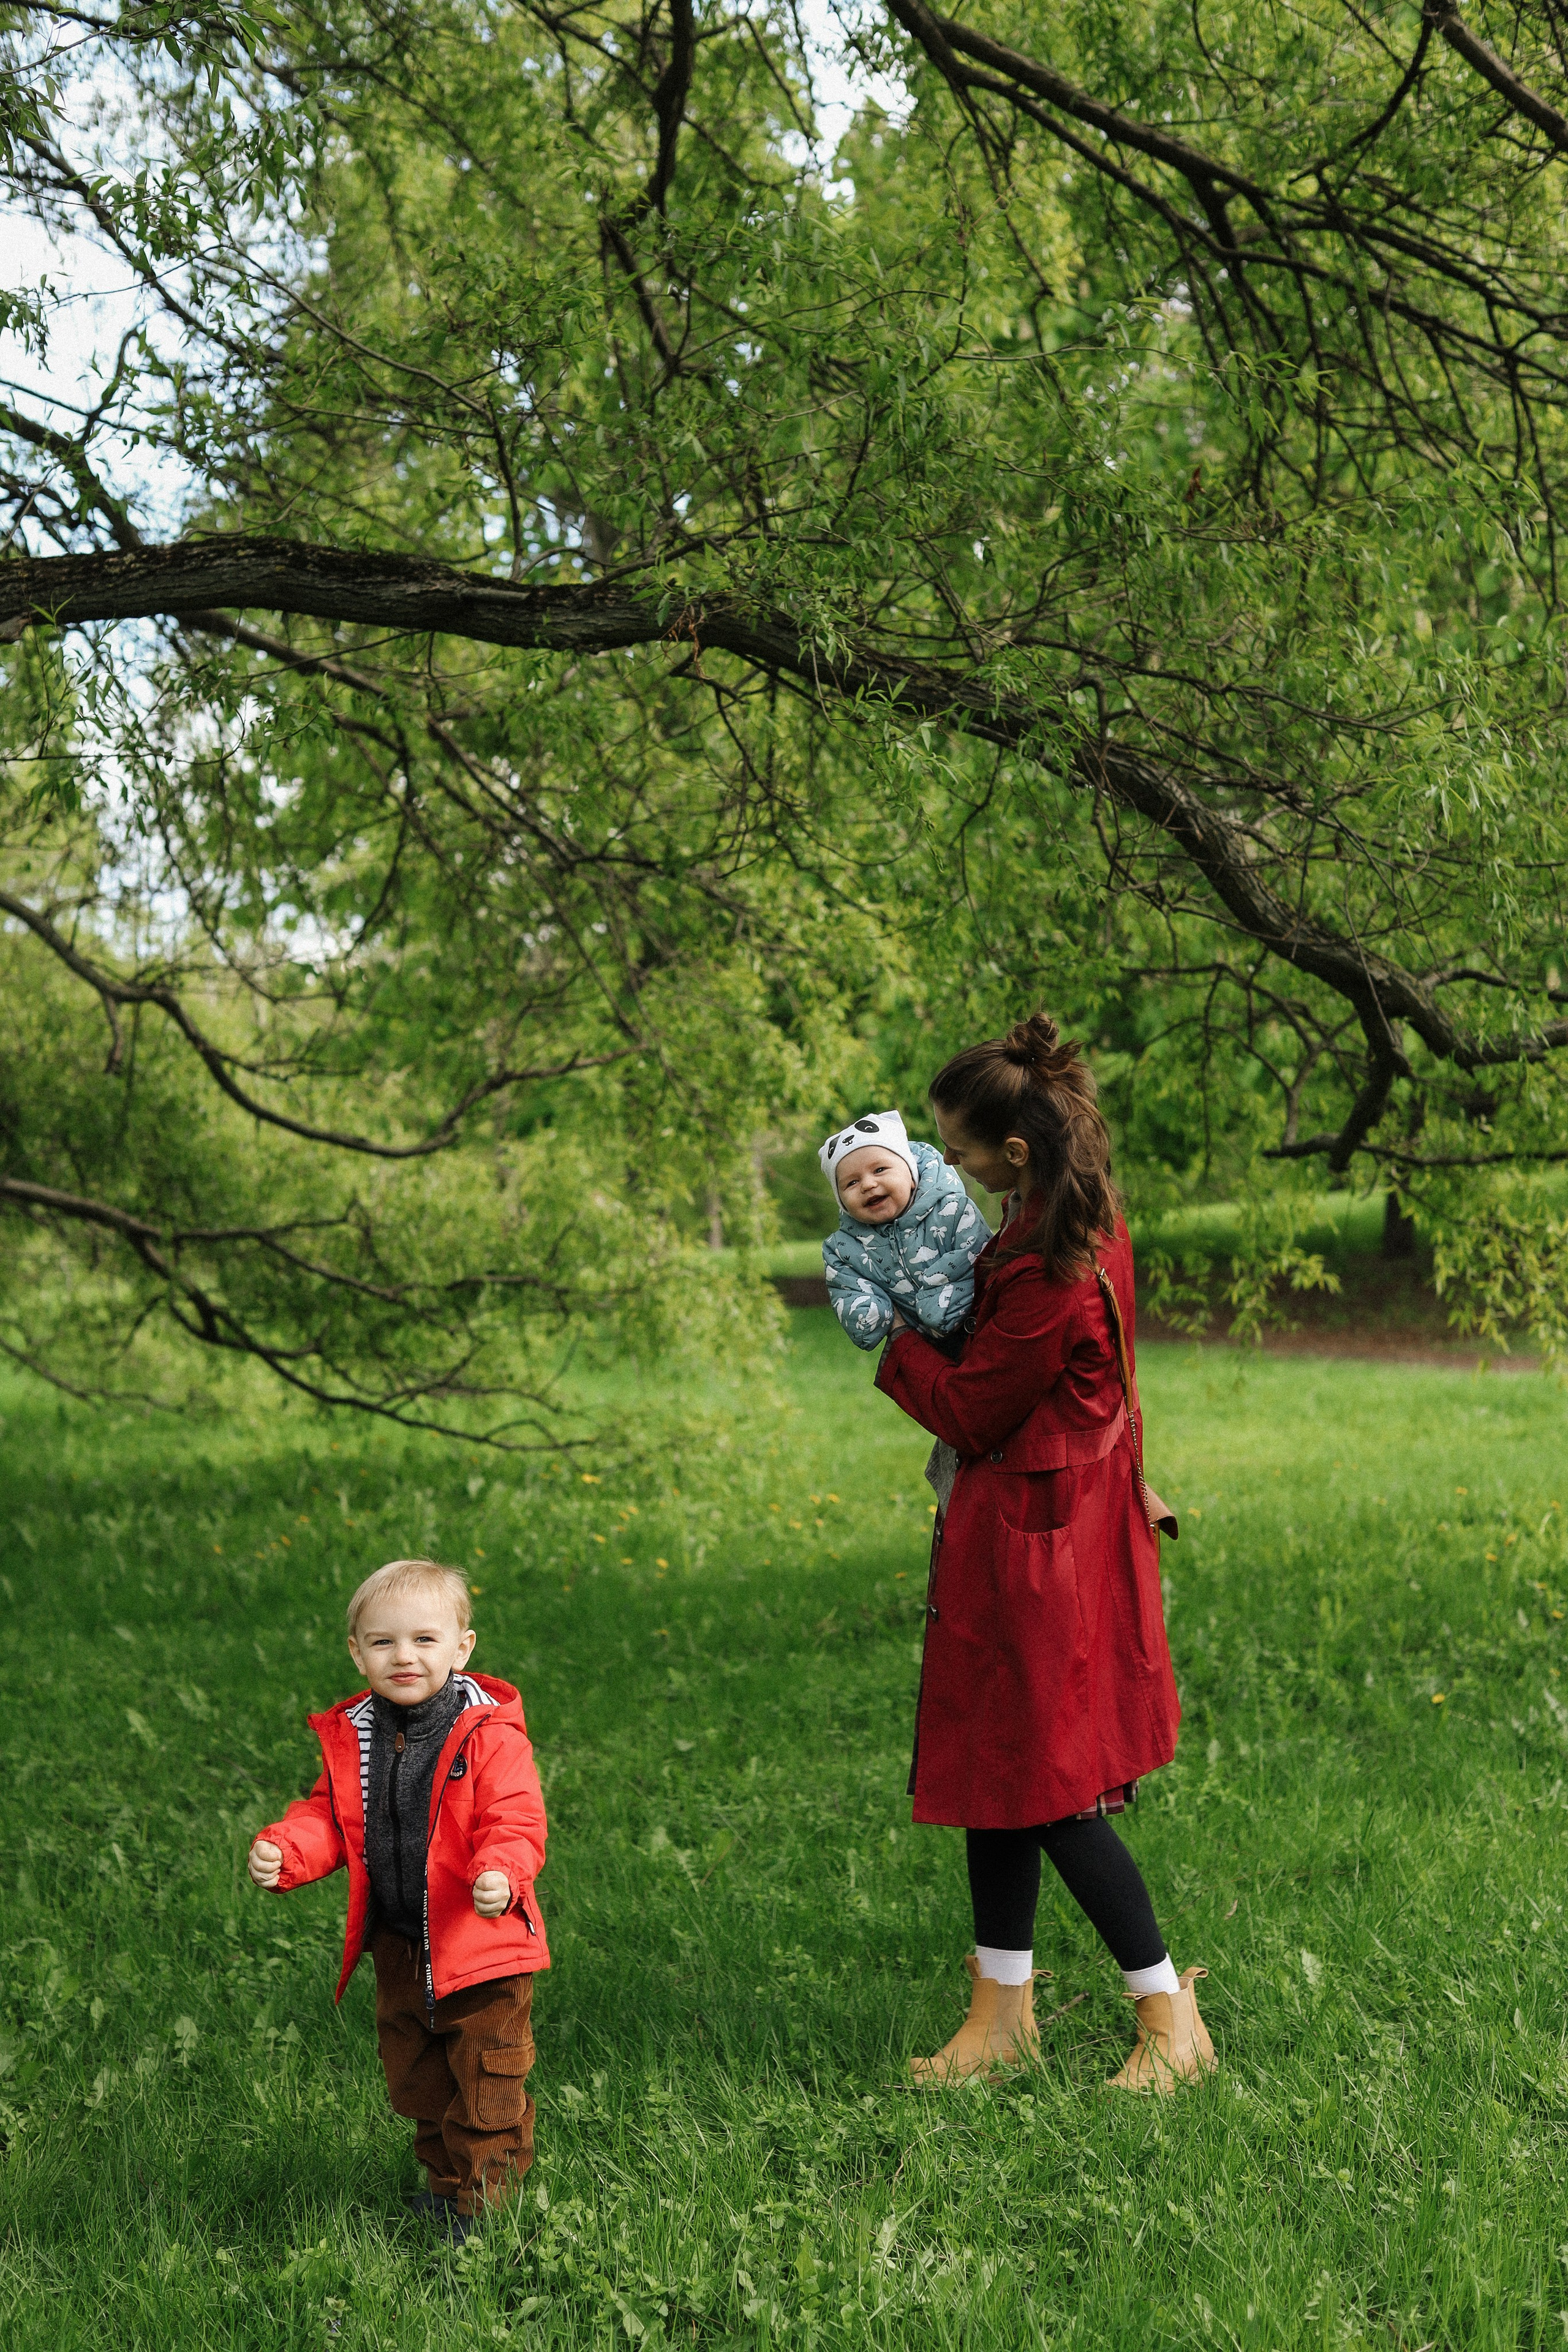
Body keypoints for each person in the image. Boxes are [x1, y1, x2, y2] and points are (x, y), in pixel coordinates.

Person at [875, 1014, 1213, 2094]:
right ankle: (1000, 2017)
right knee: (999, 1777)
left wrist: (897, 1346)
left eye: (961, 1152)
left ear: (1014, 1152)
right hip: (1052, 1525)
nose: (950, 1169)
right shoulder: (1068, 1211)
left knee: (1055, 1787)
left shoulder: (1049, 1266)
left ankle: (1170, 2016)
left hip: (1041, 1547)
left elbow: (974, 1411)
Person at [248, 1558, 549, 2239]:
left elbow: (516, 1821)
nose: (404, 1657)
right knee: (417, 2072)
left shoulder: (488, 1735)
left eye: (424, 1640)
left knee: (484, 2072)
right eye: (383, 1643)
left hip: (479, 1941)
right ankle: (445, 2186)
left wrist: (501, 1871)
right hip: (400, 1940)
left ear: (462, 1647)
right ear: (357, 1652)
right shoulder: (357, 1733)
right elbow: (331, 1816)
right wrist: (289, 1849)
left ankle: (483, 2204)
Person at [820, 1108, 987, 1348]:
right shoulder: (844, 1248)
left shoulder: (952, 1211)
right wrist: (867, 1315)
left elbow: (976, 1255)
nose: (868, 1184)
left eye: (880, 1170)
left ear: (911, 1174)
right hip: (923, 1347)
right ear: (842, 1202)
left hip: (983, 1328)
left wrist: (940, 1299)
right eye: (851, 1182)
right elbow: (846, 1288)